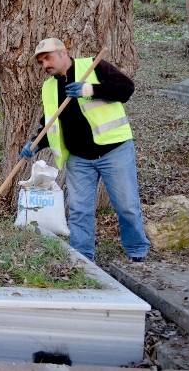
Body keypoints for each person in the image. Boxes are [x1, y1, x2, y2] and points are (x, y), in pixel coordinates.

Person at [19, 37, 150, 263]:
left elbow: (126, 89)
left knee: (127, 205)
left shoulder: (93, 66)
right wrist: (36, 144)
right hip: (78, 158)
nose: (45, 65)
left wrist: (90, 88)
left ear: (63, 53)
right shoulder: (49, 87)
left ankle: (137, 249)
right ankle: (83, 257)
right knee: (79, 210)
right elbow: (50, 124)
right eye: (41, 62)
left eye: (48, 58)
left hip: (114, 150)